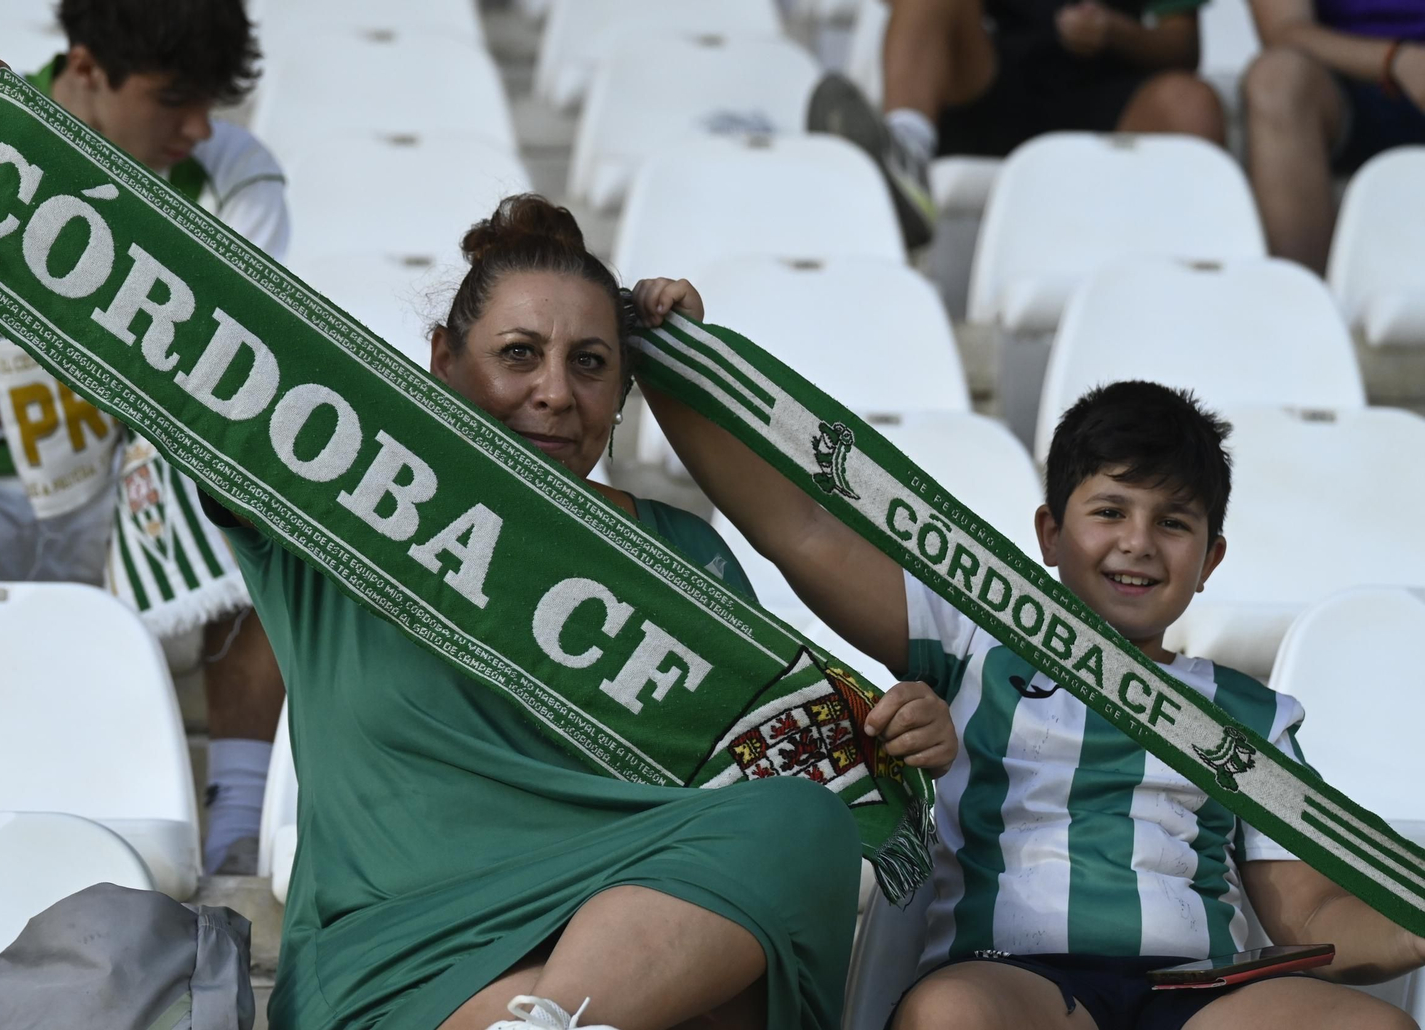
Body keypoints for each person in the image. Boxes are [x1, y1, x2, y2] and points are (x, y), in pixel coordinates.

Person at [200, 194, 960, 1030]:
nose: (555, 393)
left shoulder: (681, 552)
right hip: (398, 966)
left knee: (799, 823)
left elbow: (759, 778)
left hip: (616, 957)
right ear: (443, 361)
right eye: (518, 354)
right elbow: (197, 356)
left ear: (627, 389)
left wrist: (896, 737)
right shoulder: (343, 507)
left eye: (591, 363)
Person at [646, 364, 1425, 1029]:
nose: (1138, 543)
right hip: (1017, 981)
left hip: (1197, 994)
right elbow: (802, 529)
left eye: (1174, 522)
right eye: (1110, 511)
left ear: (1210, 558)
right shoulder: (974, 642)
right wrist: (665, 361)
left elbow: (1312, 918)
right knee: (952, 1017)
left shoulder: (1248, 712)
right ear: (1050, 533)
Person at [0, 0, 289, 876]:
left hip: (142, 497)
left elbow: (233, 377)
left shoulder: (236, 173)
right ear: (87, 68)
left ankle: (238, 828)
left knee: (255, 453)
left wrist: (26, 375)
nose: (201, 126)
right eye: (175, 98)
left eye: (211, 99)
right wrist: (93, 376)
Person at [808, 0, 1228, 248]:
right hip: (992, 84)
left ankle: (1187, 260)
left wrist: (1114, 32)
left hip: (1112, 97)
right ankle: (906, 160)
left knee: (1192, 104)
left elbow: (1183, 46)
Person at [1242, 0, 1425, 271]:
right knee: (1275, 79)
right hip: (1347, 84)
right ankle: (1302, 298)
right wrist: (1395, 59)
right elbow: (1283, 30)